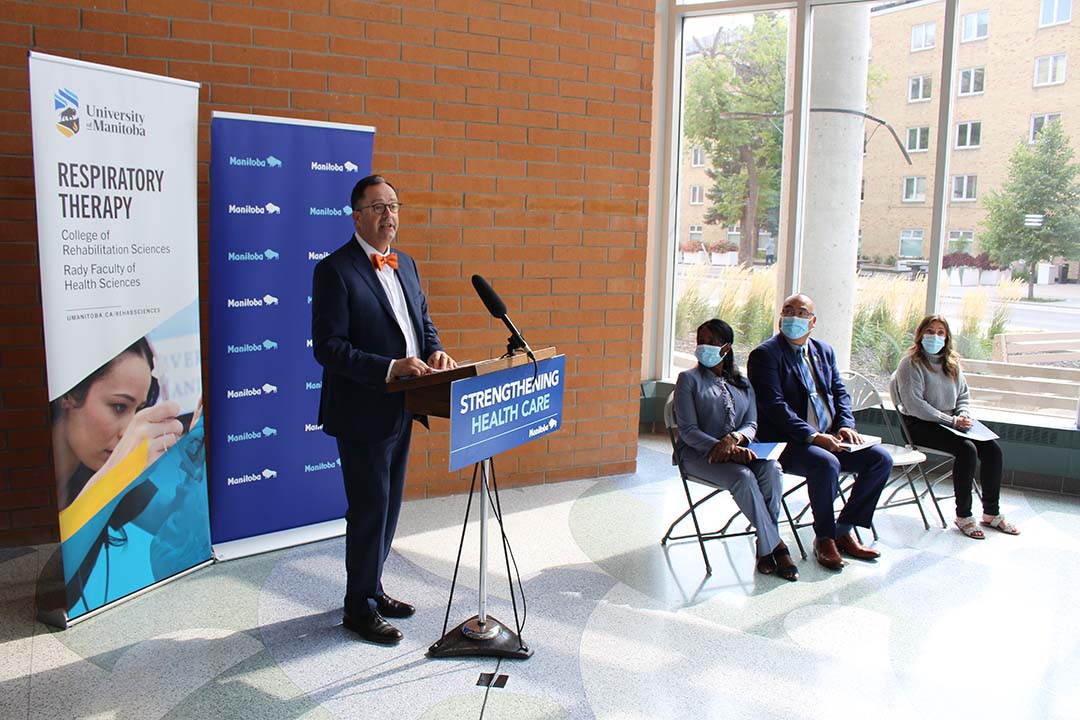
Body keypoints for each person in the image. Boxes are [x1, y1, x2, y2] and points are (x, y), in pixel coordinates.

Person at [312, 174, 457, 646]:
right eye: (377, 207)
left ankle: (372, 588)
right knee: (370, 509)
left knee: (390, 506)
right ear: (356, 216)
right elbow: (328, 348)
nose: (388, 215)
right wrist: (391, 367)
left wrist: (434, 352)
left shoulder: (407, 264)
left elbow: (423, 322)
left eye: (393, 206)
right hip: (361, 410)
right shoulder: (334, 270)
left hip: (406, 406)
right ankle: (357, 608)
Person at [747, 293, 893, 571]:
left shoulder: (823, 351)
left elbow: (839, 393)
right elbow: (774, 407)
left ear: (812, 322)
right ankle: (824, 537)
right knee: (826, 463)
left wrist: (846, 426)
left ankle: (843, 530)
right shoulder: (765, 355)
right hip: (787, 441)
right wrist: (814, 437)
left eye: (801, 313)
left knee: (880, 460)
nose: (793, 317)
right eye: (787, 311)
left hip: (830, 437)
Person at [50, 338, 187, 612]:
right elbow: (49, 581)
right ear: (68, 394)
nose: (128, 430)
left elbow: (167, 519)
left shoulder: (100, 466)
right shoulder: (110, 471)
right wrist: (116, 474)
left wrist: (195, 466)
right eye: (118, 407)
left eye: (138, 410)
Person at [674, 319, 798, 581]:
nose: (703, 347)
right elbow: (688, 431)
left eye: (711, 342)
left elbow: (751, 423)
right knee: (743, 477)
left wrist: (736, 439)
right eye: (701, 341)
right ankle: (777, 546)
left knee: (772, 469)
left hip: (741, 451)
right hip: (698, 454)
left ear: (726, 347)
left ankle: (765, 547)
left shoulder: (742, 382)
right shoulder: (688, 380)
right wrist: (724, 448)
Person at [891, 314, 1018, 539]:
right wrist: (952, 421)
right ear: (920, 334)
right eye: (930, 331)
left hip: (951, 422)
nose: (935, 336)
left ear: (947, 337)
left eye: (940, 332)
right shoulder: (910, 363)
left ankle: (991, 512)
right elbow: (915, 405)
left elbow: (963, 396)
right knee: (966, 450)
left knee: (992, 450)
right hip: (919, 424)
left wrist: (963, 415)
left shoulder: (952, 362)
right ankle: (964, 516)